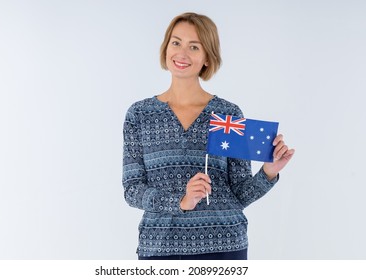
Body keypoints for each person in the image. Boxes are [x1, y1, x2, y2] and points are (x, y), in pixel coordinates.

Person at [122, 12, 295, 260]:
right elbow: (132, 189)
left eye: (194, 47)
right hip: (160, 247)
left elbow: (240, 193)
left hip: (223, 247)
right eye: (176, 42)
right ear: (166, 47)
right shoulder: (139, 114)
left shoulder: (227, 113)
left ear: (206, 58)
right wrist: (181, 201)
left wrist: (269, 171)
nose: (182, 53)